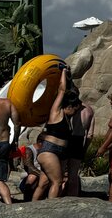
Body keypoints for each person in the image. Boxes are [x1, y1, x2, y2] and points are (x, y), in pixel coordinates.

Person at [35, 66, 80, 200]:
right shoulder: (56, 112)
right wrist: (63, 73)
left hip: (61, 152)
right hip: (50, 150)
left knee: (43, 183)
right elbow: (62, 90)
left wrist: (70, 78)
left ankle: (33, 207)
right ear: (69, 106)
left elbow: (71, 92)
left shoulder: (68, 118)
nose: (76, 113)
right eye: (75, 110)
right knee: (57, 182)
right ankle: (51, 210)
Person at [65, 98, 94, 196]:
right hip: (79, 141)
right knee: (73, 175)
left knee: (60, 172)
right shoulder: (89, 110)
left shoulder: (68, 107)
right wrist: (84, 149)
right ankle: (73, 197)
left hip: (67, 139)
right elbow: (90, 135)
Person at [18, 133, 44, 202]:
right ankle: (27, 200)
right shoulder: (29, 150)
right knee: (32, 176)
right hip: (28, 178)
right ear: (40, 142)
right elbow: (29, 167)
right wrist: (42, 175)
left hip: (43, 176)